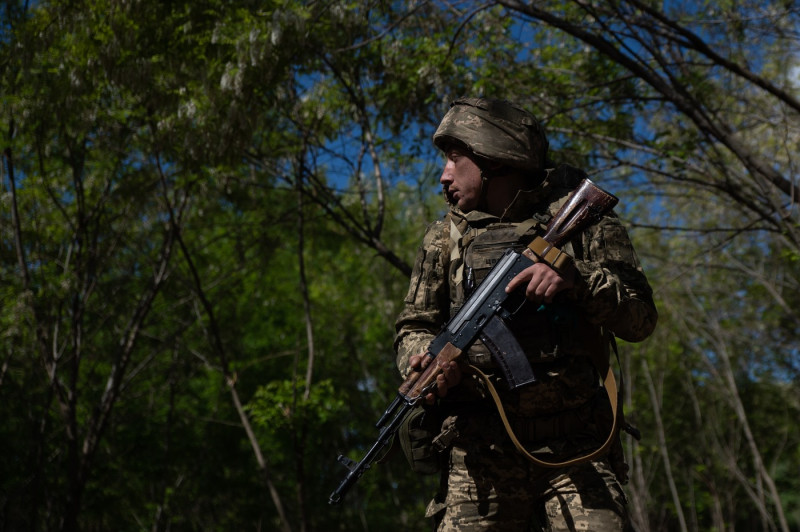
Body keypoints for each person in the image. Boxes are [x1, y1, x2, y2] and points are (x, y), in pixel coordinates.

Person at [394, 97, 658, 531]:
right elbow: (414, 327)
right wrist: (424, 361)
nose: (443, 175)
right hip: (480, 459)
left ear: (492, 160)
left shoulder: (583, 221)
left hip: (578, 452)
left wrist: (578, 279)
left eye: (453, 158)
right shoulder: (443, 238)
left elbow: (641, 319)